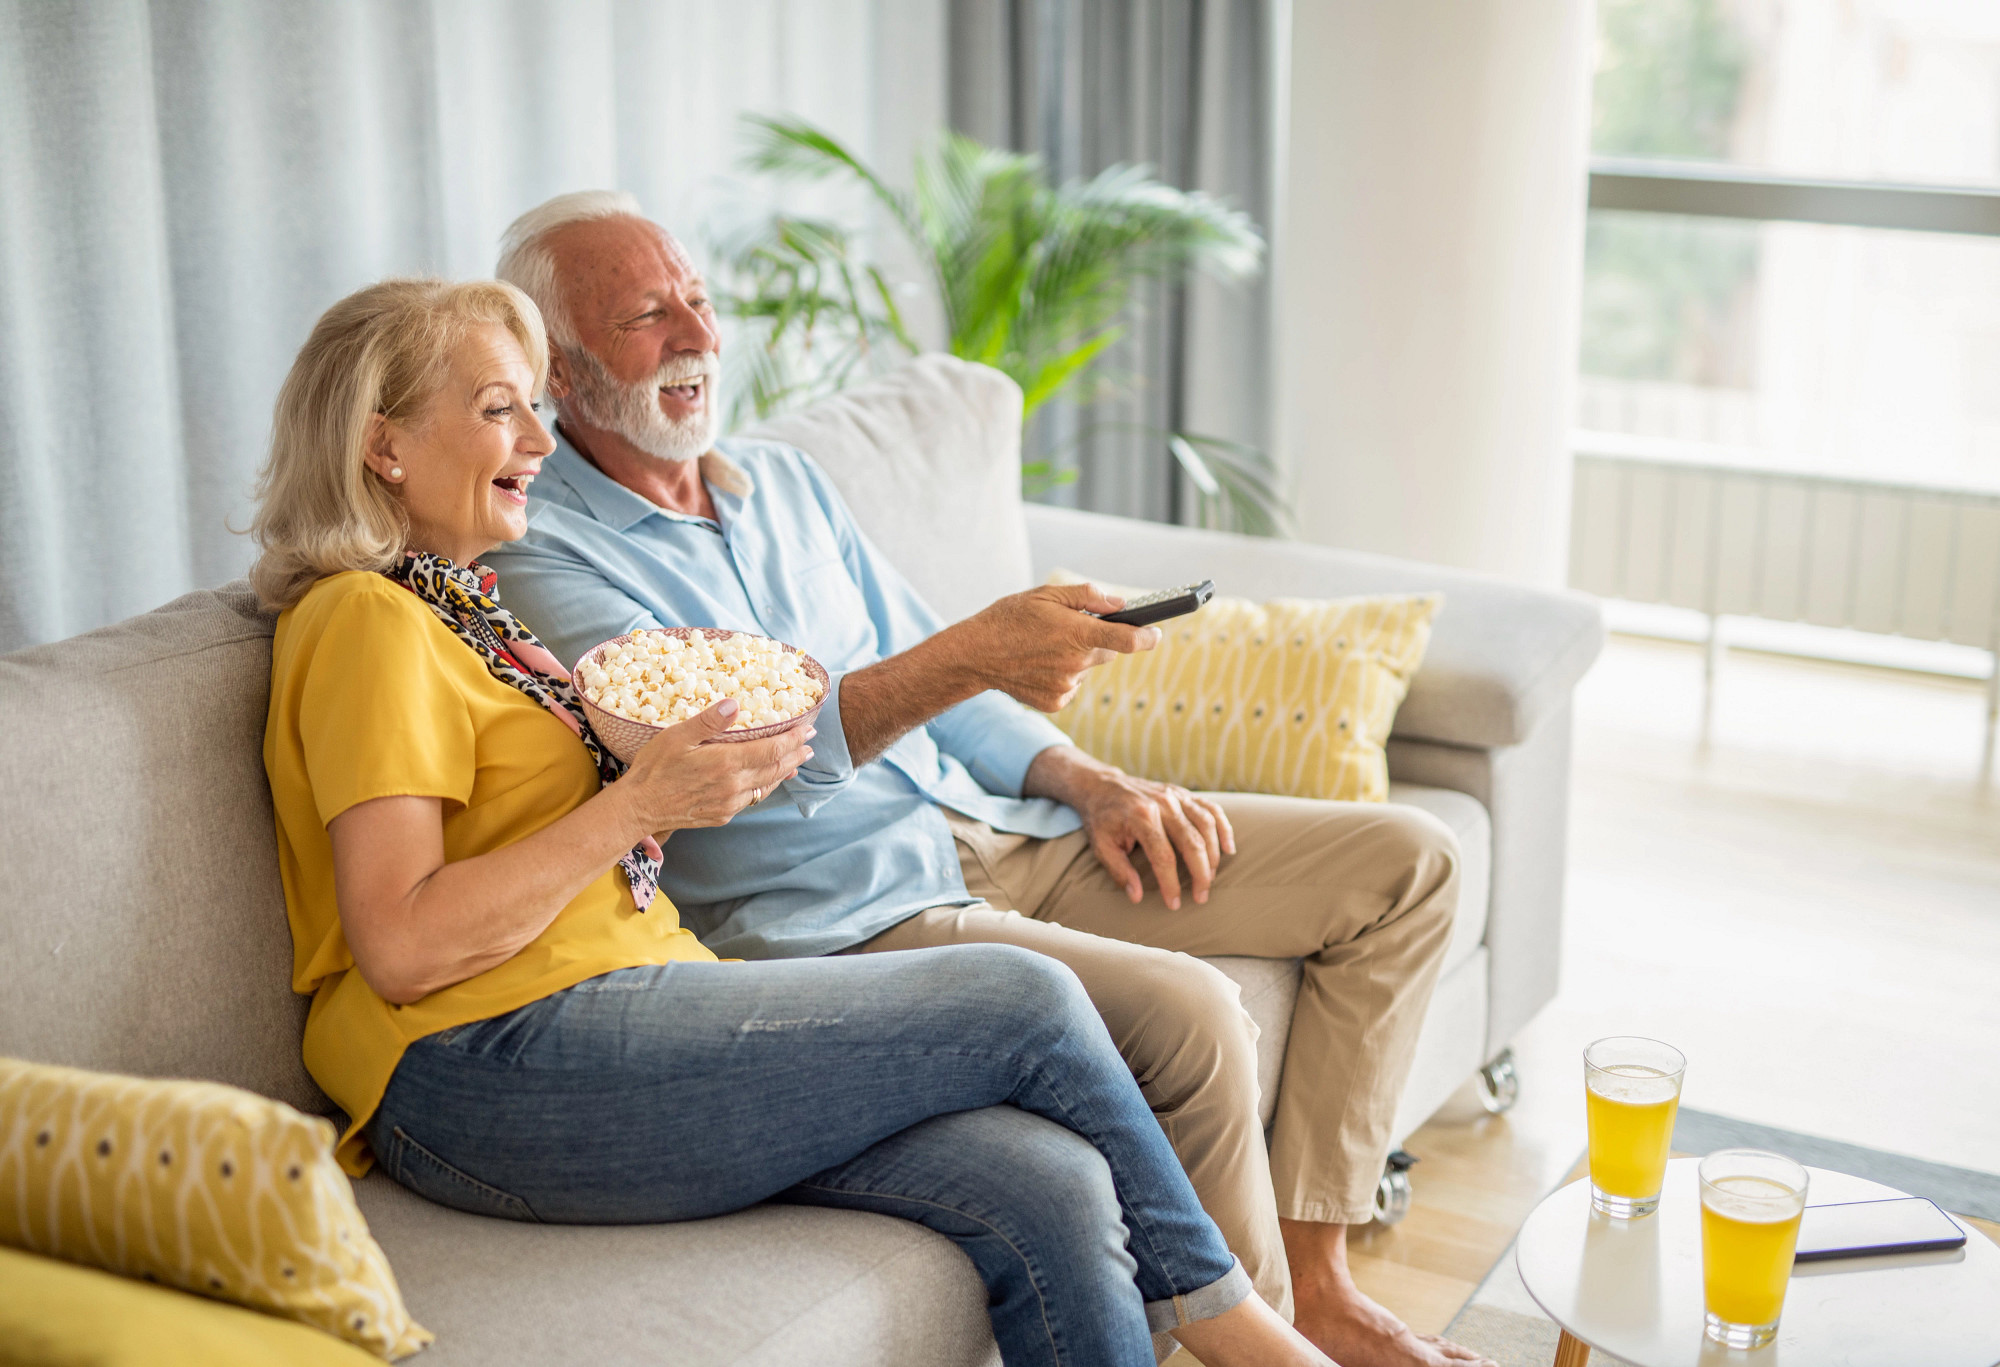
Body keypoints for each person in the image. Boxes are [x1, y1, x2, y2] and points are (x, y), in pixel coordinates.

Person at [251, 275, 1345, 1367]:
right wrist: (639, 803)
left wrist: (673, 786)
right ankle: (1249, 1338)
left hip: (624, 1001)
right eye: (501, 408)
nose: (540, 437)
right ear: (383, 444)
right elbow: (398, 940)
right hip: (477, 1062)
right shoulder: (363, 619)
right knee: (1027, 996)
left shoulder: (468, 610)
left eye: (534, 404)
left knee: (1050, 1179)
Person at [486, 191, 1490, 1367]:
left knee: (1407, 862)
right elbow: (734, 755)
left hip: (986, 826)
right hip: (845, 918)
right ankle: (1262, 1337)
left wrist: (1086, 778)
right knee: (1199, 1015)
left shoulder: (786, 485)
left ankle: (1315, 1281)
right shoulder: (540, 553)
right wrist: (974, 649)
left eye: (696, 300)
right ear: (557, 369)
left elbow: (939, 679)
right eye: (646, 316)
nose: (696, 335)